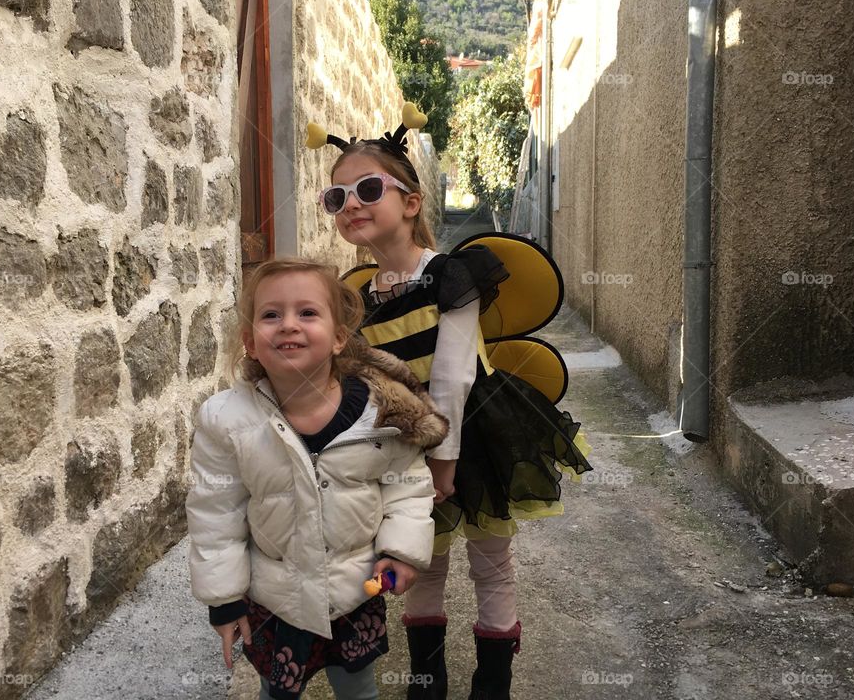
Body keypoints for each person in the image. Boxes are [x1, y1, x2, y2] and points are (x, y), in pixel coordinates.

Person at [307, 104, 592, 699]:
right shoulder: (359, 297)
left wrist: (445, 459)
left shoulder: (452, 275)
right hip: (408, 442)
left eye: (365, 188)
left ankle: (492, 686)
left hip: (475, 432)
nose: (350, 204)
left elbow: (456, 376)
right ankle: (425, 683)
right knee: (420, 562)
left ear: (411, 203)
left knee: (490, 563)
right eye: (336, 198)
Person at [186, 258, 450, 700]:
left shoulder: (378, 416)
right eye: (271, 315)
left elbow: (407, 486)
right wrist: (224, 599)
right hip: (275, 597)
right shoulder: (225, 420)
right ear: (250, 342)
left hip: (358, 587)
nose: (288, 325)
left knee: (359, 687)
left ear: (339, 338)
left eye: (307, 313)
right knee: (278, 690)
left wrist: (402, 552)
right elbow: (216, 511)